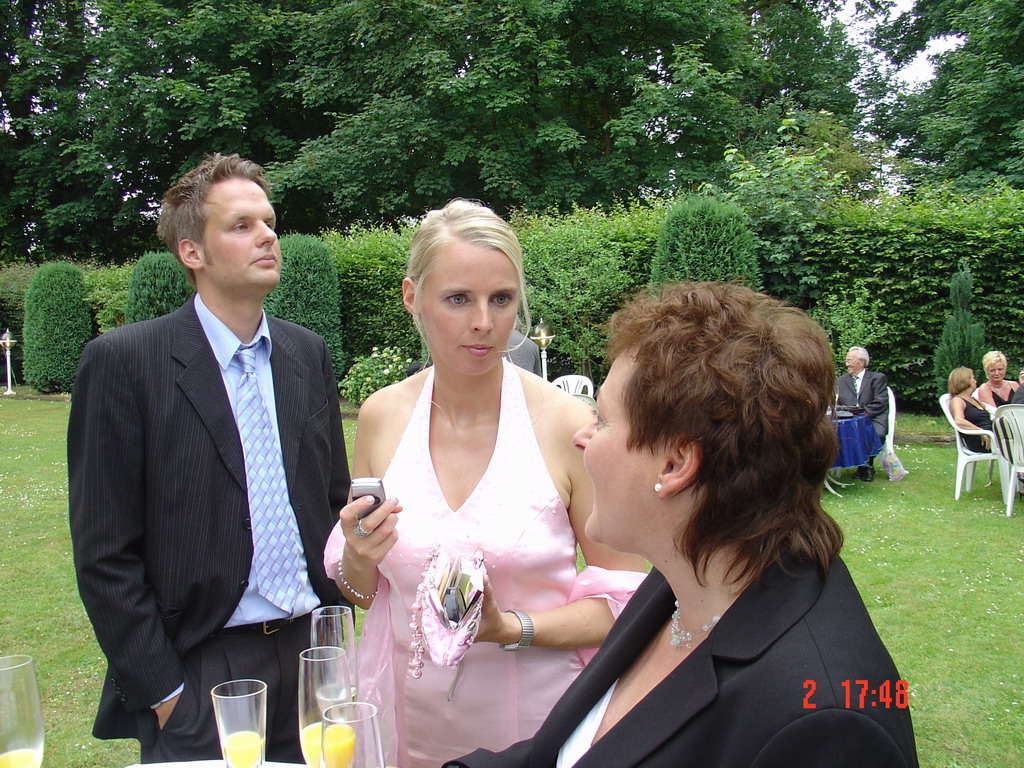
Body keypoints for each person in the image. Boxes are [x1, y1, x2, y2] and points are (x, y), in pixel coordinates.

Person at [446, 282, 918, 768]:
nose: (582, 437)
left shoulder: (827, 725)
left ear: (674, 464)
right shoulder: (684, 582)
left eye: (602, 419)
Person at [323, 199, 646, 768]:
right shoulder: (381, 416)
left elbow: (627, 602)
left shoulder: (565, 425)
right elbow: (367, 594)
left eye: (501, 299)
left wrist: (510, 628)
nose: (484, 322)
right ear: (411, 297)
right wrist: (358, 555)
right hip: (407, 730)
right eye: (458, 299)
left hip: (533, 733)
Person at [68, 153, 349, 764]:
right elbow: (104, 553)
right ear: (192, 251)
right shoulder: (124, 362)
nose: (267, 235)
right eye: (241, 225)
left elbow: (331, 504)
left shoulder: (307, 355)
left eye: (268, 221)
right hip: (204, 670)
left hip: (315, 662)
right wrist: (166, 694)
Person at [835, 345, 889, 481]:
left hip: (873, 417)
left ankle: (866, 466)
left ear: (862, 362)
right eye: (846, 361)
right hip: (848, 419)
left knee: (876, 433)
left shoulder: (877, 378)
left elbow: (881, 402)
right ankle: (853, 464)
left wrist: (864, 414)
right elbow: (835, 402)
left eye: (850, 361)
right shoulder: (840, 381)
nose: (847, 364)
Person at [947, 367, 993, 452]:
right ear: (965, 380)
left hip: (991, 434)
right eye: (972, 378)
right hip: (981, 440)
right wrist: (980, 431)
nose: (975, 381)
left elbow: (993, 411)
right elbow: (959, 421)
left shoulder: (974, 399)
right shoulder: (958, 400)